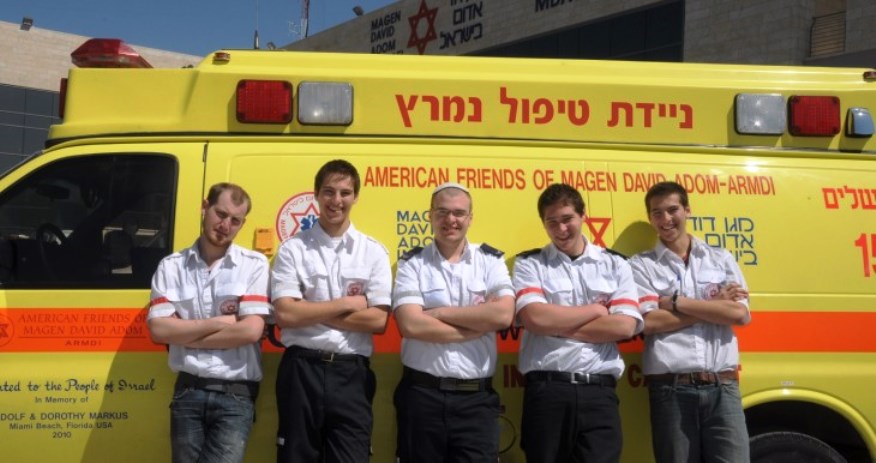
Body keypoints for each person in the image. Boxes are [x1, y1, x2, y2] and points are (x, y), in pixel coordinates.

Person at [271, 159, 392, 463]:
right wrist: (347, 304)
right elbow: (285, 315)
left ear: (356, 197)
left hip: (351, 372)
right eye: (328, 192)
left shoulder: (373, 252)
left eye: (344, 193)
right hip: (301, 370)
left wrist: (308, 309)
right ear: (316, 194)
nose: (336, 200)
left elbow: (378, 320)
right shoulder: (292, 249)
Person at [512, 183, 643, 463]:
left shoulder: (615, 264)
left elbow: (624, 327)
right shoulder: (530, 264)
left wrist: (554, 325)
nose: (561, 229)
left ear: (583, 215)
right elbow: (535, 318)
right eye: (552, 222)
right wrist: (596, 310)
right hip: (548, 392)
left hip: (599, 393)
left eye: (567, 219)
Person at [147, 182, 270, 463]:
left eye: (235, 220)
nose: (225, 225)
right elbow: (158, 330)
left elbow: (251, 331)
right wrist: (224, 322)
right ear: (205, 207)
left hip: (236, 397)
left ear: (242, 224)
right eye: (221, 214)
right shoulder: (171, 266)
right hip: (188, 391)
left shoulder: (254, 265)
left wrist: (184, 335)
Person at [392, 182, 515, 463]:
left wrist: (438, 313)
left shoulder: (490, 261)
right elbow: (411, 325)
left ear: (470, 218)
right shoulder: (412, 263)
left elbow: (502, 316)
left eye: (459, 213)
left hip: (477, 402)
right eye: (442, 212)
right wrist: (476, 326)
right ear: (430, 215)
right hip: (422, 397)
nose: (451, 220)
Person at [630, 181, 751, 463]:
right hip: (671, 389)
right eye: (657, 213)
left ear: (687, 210)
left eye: (673, 209)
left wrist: (676, 302)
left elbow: (740, 314)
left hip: (723, 386)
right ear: (650, 218)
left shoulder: (720, 258)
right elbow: (650, 322)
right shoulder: (641, 264)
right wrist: (714, 305)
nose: (665, 219)